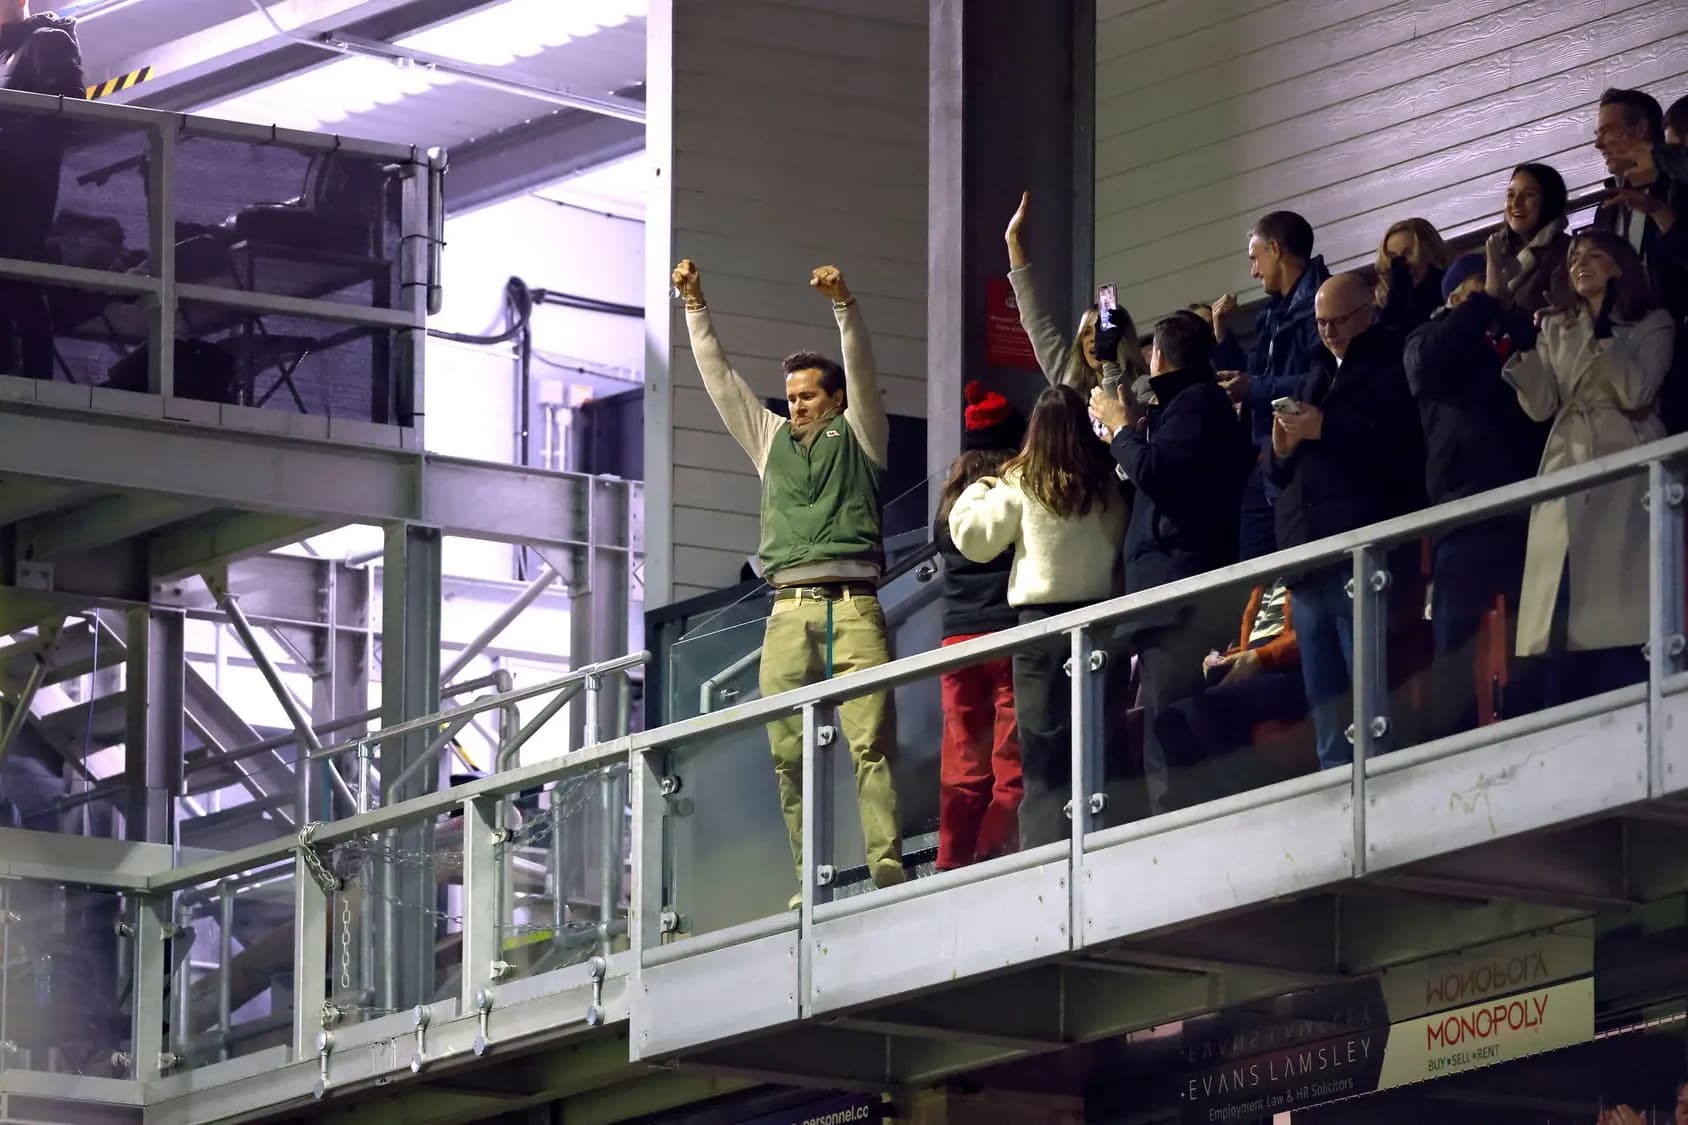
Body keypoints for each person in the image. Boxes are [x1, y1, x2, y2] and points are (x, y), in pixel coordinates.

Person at [670, 258, 905, 903]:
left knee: (872, 742)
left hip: (855, 605)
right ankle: (808, 876)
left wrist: (844, 306)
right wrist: (695, 307)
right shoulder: (768, 439)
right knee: (787, 754)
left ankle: (885, 864)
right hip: (788, 609)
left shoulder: (861, 432)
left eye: (808, 396)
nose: (796, 405)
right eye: (792, 396)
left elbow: (862, 369)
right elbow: (719, 379)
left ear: (834, 401)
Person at [949, 385, 1127, 848]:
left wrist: (978, 488)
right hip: (1102, 621)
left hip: (1040, 627)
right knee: (1101, 737)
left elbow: (975, 539)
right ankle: (1107, 838)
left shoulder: (1020, 479)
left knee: (1041, 747)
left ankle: (1044, 851)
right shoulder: (1108, 477)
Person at [1502, 230, 1675, 704]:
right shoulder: (1558, 326)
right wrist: (1517, 353)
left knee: (1618, 601)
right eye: (1575, 257)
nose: (1581, 263)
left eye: (1595, 256)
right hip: (1565, 459)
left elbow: (1637, 392)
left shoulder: (1652, 322)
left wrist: (1605, 335)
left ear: (1620, 267)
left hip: (1624, 460)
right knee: (1563, 601)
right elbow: (1541, 406)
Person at [1089, 309, 1244, 812]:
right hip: (1173, 586)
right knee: (1168, 717)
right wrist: (1133, 427)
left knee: (1169, 721)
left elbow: (1159, 472)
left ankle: (1172, 823)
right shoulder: (1189, 405)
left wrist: (1121, 432)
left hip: (1178, 592)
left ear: (1158, 356)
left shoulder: (1196, 405)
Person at [1269, 273, 1425, 768]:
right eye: (1320, 323)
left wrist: (1326, 427)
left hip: (1361, 552)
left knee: (1370, 694)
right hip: (1310, 556)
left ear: (1368, 313)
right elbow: (1286, 470)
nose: (1329, 332)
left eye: (1338, 321)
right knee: (1326, 707)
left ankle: (1382, 783)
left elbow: (1400, 448)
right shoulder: (1316, 374)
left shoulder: (1393, 362)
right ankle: (1336, 790)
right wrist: (1281, 450)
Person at [1404, 254, 1547, 741]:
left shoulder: (1510, 331)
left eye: (1485, 288)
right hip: (1461, 513)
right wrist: (1479, 302)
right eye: (1468, 290)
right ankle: (1457, 745)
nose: (1480, 294)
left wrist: (1498, 310)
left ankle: (1536, 729)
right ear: (1449, 299)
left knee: (1534, 636)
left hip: (1524, 502)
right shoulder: (1426, 339)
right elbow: (1427, 366)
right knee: (1455, 645)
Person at [931, 382, 1026, 870]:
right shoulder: (1015, 491)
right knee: (1009, 759)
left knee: (963, 761)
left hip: (957, 640)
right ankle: (995, 852)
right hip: (1008, 635)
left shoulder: (951, 498)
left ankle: (950, 862)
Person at [1212, 210, 1331, 560]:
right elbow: (1256, 377)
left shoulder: (1320, 307)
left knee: (1297, 567)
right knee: (1258, 578)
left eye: (1255, 257)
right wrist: (1223, 340)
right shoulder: (1273, 315)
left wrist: (1253, 389)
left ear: (1275, 249)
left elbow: (1319, 382)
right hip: (1267, 460)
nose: (1253, 271)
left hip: (1301, 462)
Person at [1150, 578, 1311, 804]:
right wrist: (1225, 659)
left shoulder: (1305, 575)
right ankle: (1200, 807)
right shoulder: (1265, 582)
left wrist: (1259, 658)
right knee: (1168, 721)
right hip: (1258, 674)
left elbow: (1312, 633)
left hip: (1293, 674)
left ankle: (1244, 800)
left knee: (1204, 709)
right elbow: (1251, 645)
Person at [1592, 87, 1688, 430]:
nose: (1598, 144)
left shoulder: (1679, 189)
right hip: (1627, 368)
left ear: (1641, 130)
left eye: (1607, 131)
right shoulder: (1605, 212)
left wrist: (1659, 212)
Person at [0, 0, 82, 380]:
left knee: (17, 278)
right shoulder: (8, 53)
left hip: (23, 188)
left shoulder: (46, 41)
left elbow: (65, 111)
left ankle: (34, 377)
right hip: (12, 182)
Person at [1004, 190, 1150, 398]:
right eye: (1087, 333)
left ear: (1121, 338)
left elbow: (1121, 414)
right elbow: (1036, 322)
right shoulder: (1069, 381)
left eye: (1100, 330)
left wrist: (1109, 361)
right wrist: (1012, 242)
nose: (1093, 340)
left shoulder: (1142, 387)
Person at [1484, 162, 1576, 315]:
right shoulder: (1499, 248)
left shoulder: (1564, 252)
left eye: (1529, 195)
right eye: (1511, 195)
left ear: (1549, 202)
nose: (1515, 203)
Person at [1374, 217, 1451, 335]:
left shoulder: (1452, 290)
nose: (1402, 264)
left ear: (1429, 252)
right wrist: (1398, 297)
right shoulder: (1382, 305)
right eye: (1394, 257)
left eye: (1408, 253)